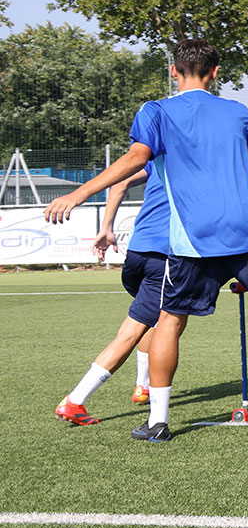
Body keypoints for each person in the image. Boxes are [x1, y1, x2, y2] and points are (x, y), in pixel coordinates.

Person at [46, 39, 248, 441]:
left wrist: (78, 193)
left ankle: (158, 422)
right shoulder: (238, 112)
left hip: (190, 239)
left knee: (168, 321)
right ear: (215, 73)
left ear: (174, 71)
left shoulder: (155, 110)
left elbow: (137, 157)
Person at [48, 165, 170, 425]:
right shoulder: (194, 160)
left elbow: (120, 183)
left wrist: (107, 228)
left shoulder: (158, 156)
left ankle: (143, 387)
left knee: (153, 320)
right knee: (155, 327)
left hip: (137, 254)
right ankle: (75, 401)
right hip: (165, 256)